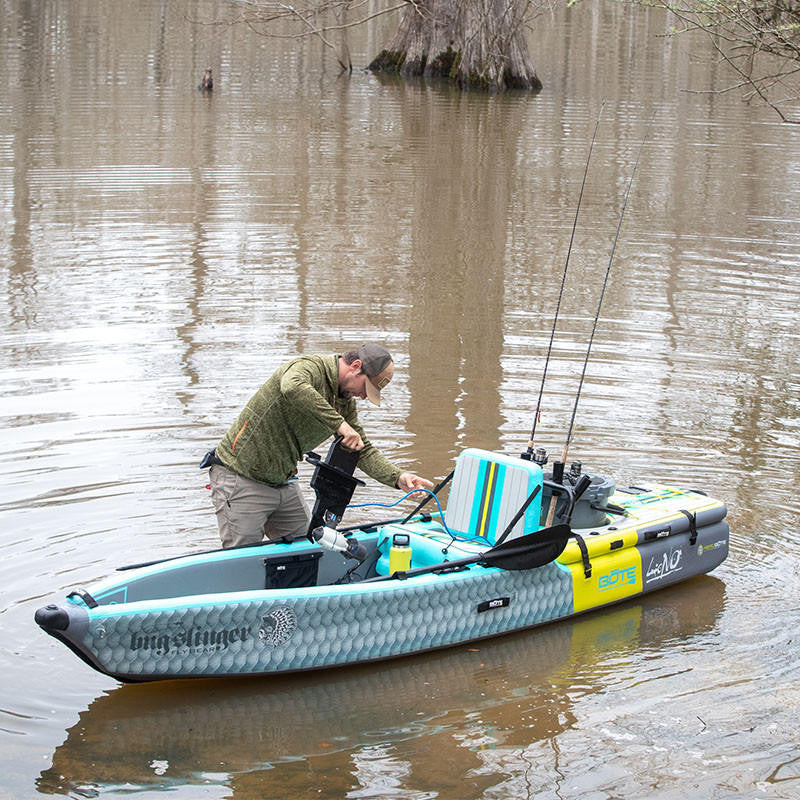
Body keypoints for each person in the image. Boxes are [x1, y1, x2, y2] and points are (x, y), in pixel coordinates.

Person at [204, 344, 433, 548]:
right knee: (242, 562)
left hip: (283, 482)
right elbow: (292, 387)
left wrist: (398, 477)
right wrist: (339, 424)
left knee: (307, 551)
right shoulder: (310, 367)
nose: (363, 396)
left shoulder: (344, 401)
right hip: (240, 477)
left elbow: (361, 449)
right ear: (355, 366)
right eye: (366, 387)